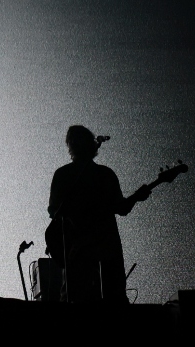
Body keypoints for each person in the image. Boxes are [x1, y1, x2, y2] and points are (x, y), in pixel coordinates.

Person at [47, 125, 150, 303]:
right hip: (79, 248)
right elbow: (54, 210)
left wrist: (136, 198)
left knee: (112, 295)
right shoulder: (63, 174)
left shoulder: (105, 174)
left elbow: (121, 208)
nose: (75, 144)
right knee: (77, 296)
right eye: (72, 141)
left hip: (105, 246)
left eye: (79, 140)